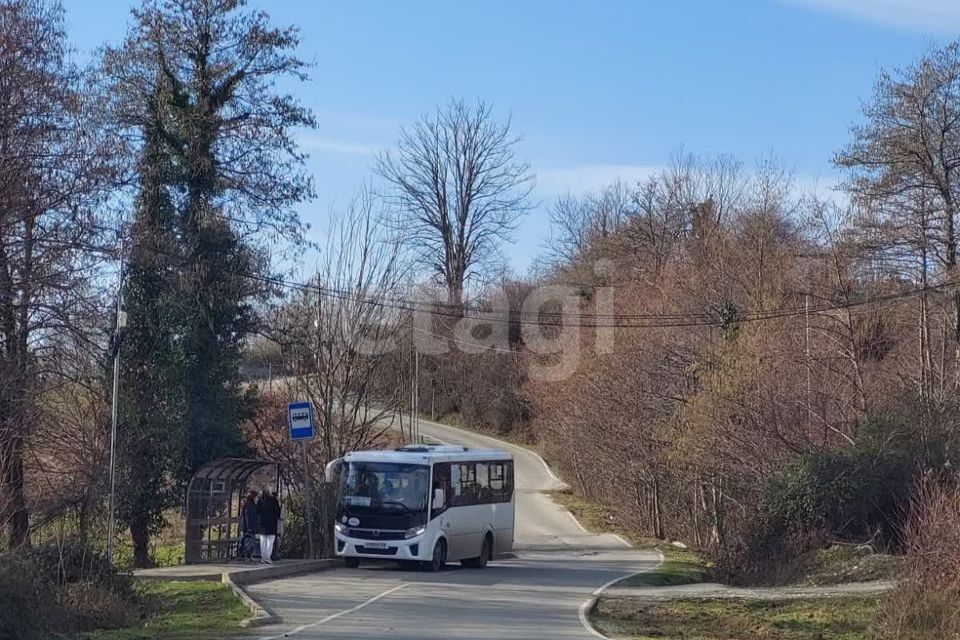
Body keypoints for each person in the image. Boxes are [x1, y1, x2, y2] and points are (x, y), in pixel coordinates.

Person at [257, 486, 281, 564]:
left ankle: (263, 557)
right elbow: (277, 511)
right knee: (270, 541)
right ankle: (268, 556)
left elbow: (257, 511)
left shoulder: (260, 500)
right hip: (271, 523)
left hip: (262, 523)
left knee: (262, 541)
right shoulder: (274, 500)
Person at [238, 490, 259, 562]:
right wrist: (249, 527)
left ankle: (249, 556)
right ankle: (246, 556)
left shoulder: (251, 504)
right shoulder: (249, 505)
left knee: (250, 542)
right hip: (247, 527)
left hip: (249, 527)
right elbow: (248, 517)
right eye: (255, 497)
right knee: (248, 542)